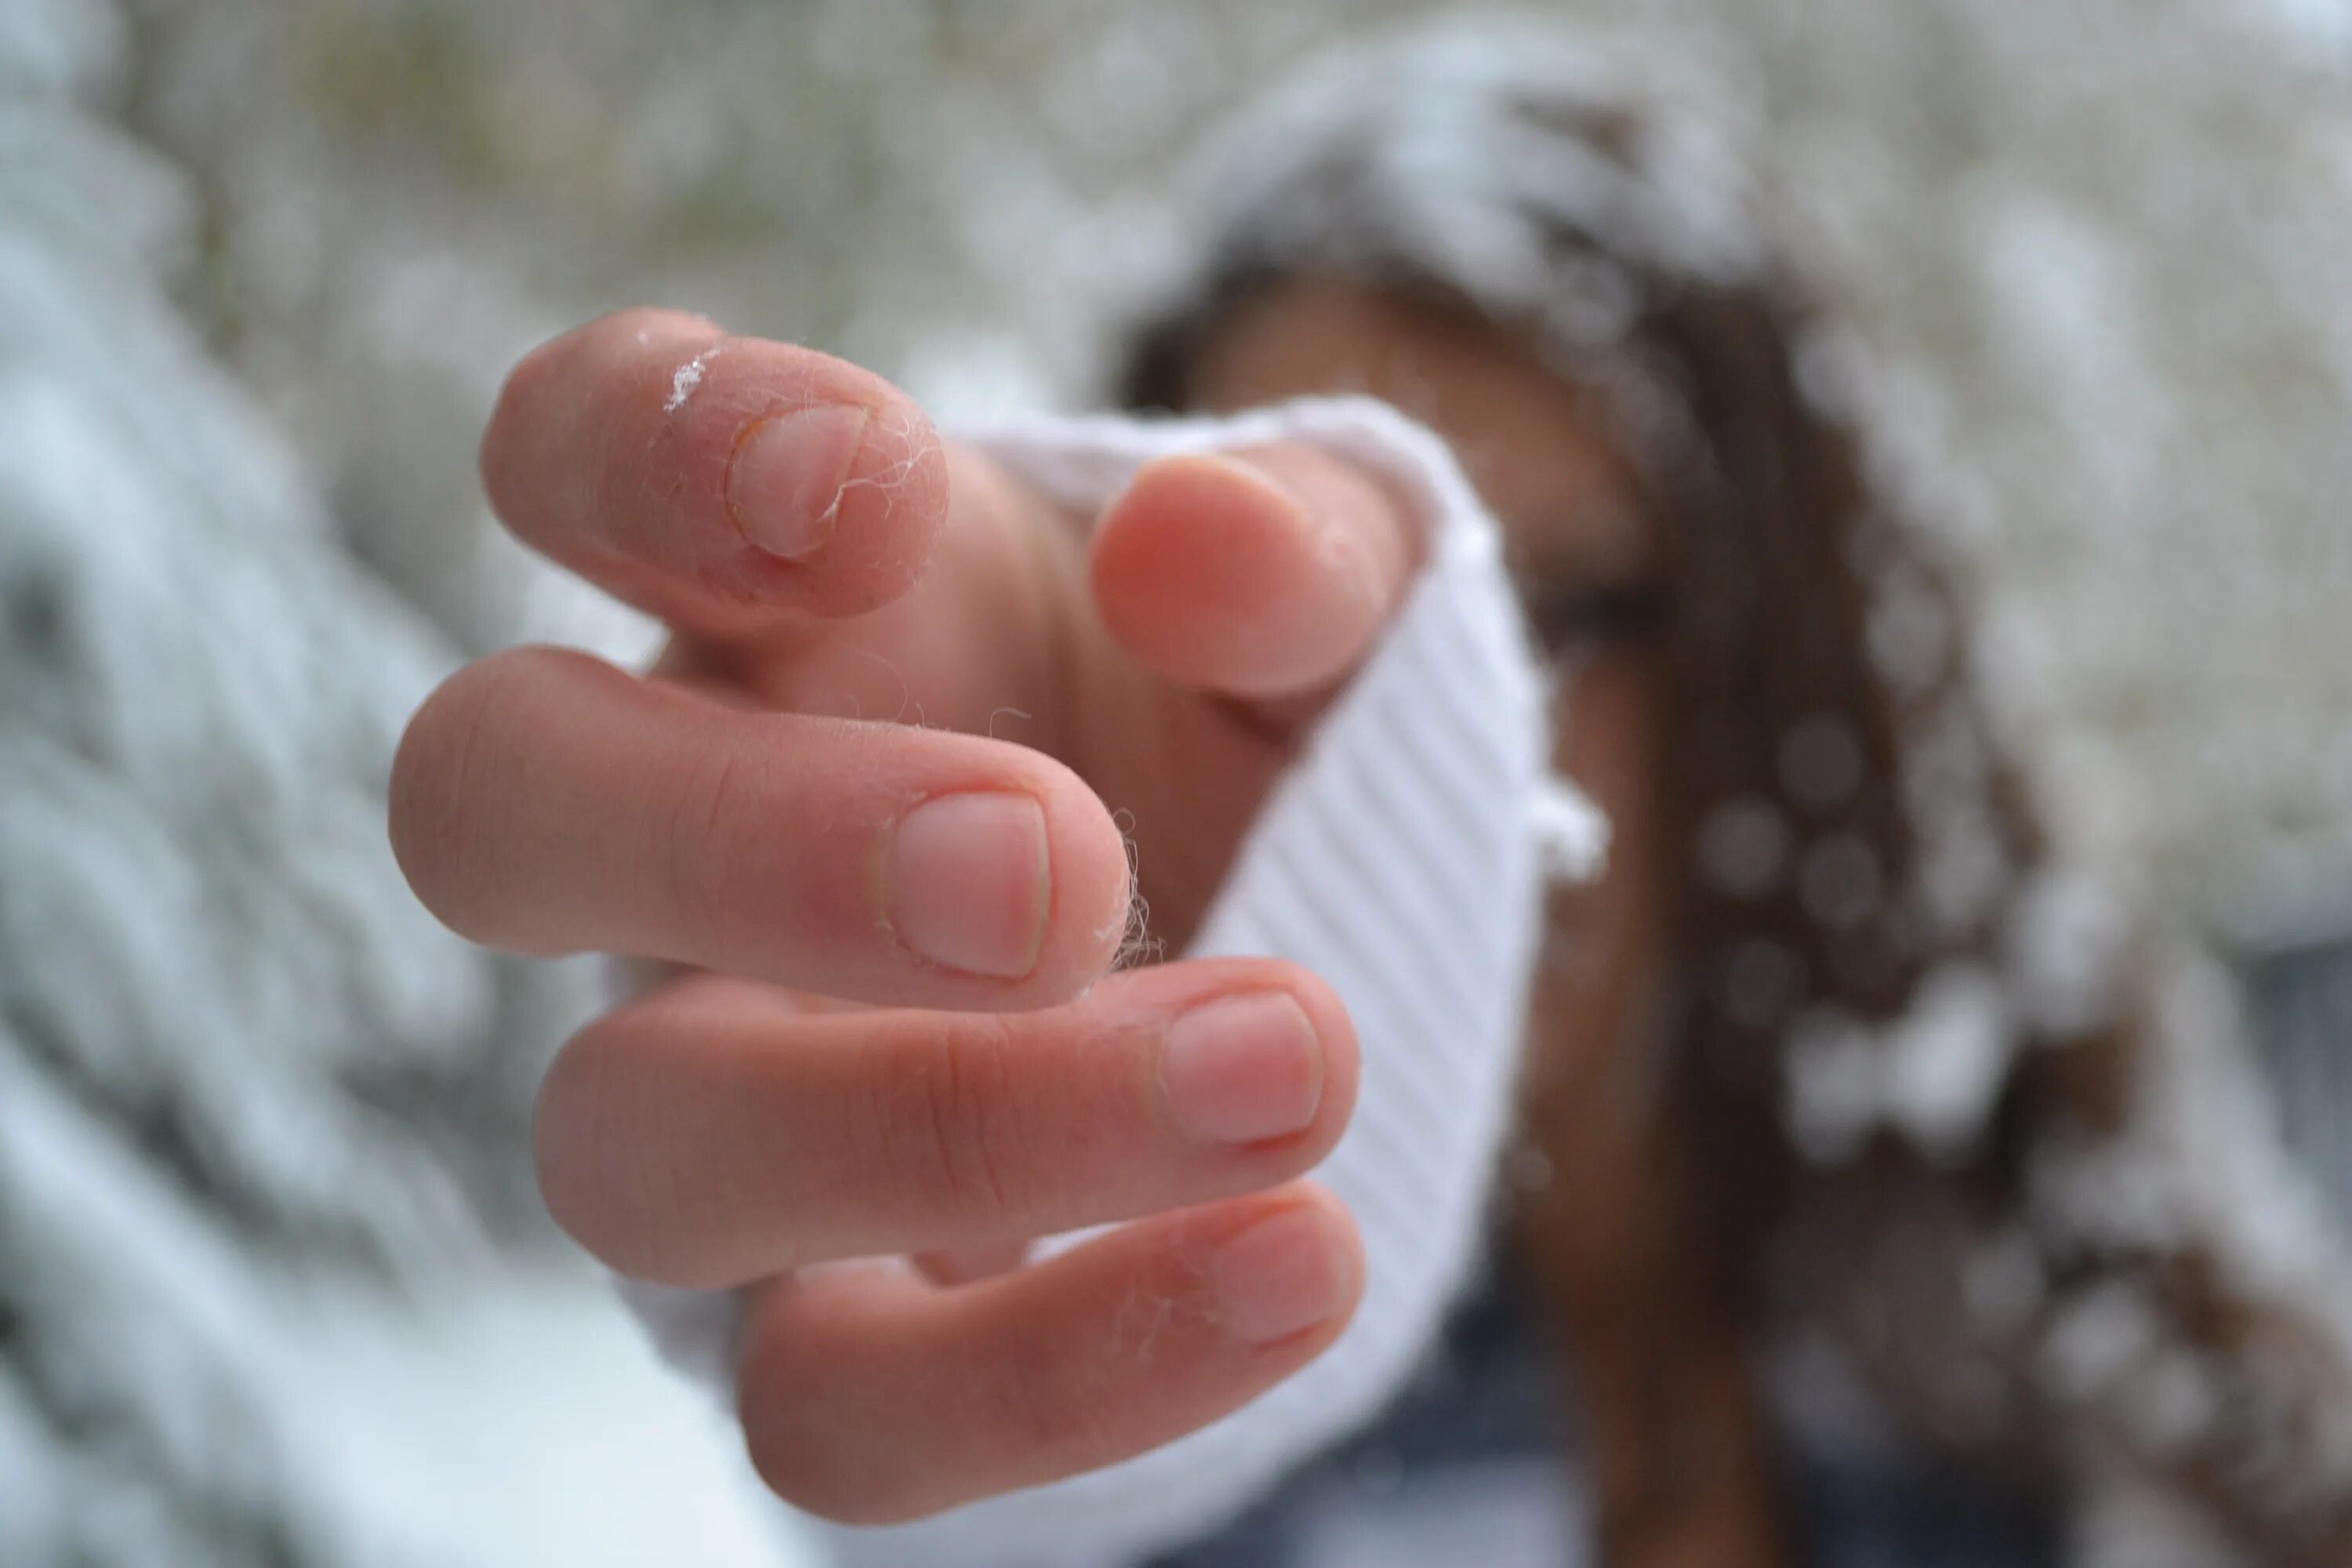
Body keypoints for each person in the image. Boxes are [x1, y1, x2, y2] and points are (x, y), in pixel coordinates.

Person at [390, 26, 2352, 1568]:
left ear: (1790, 648)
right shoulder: (1194, 1414)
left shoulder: (2107, 1372)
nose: (1479, 750)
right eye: (1335, 666)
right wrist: (981, 1293)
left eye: (1576, 607)